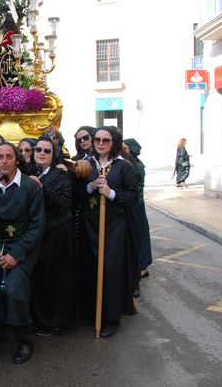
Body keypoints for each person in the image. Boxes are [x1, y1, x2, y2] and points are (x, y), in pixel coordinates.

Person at [0, 143, 45, 364]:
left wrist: (16, 254)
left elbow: (37, 226)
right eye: (0, 157)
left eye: (9, 157)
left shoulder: (30, 187)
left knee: (15, 290)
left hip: (24, 246)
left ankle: (24, 340)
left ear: (16, 160)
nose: (4, 161)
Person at [76, 126, 139, 338]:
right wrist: (91, 185)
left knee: (110, 270)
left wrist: (111, 193)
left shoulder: (124, 167)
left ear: (114, 143)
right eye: (97, 140)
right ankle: (92, 312)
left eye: (106, 140)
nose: (100, 144)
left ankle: (111, 317)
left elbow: (132, 197)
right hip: (90, 224)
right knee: (90, 266)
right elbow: (78, 194)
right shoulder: (86, 165)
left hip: (114, 226)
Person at [29, 136, 73, 336]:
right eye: (38, 149)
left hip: (56, 233)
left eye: (47, 151)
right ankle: (38, 318)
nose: (42, 153)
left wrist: (42, 188)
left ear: (54, 155)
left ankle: (53, 321)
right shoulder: (29, 173)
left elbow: (63, 205)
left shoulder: (61, 176)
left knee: (54, 277)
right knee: (37, 277)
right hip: (36, 233)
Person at [122, 138, 152, 281]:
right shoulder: (129, 163)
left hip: (137, 204)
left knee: (140, 234)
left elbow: (137, 188)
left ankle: (142, 266)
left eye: (125, 149)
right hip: (134, 204)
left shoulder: (136, 165)